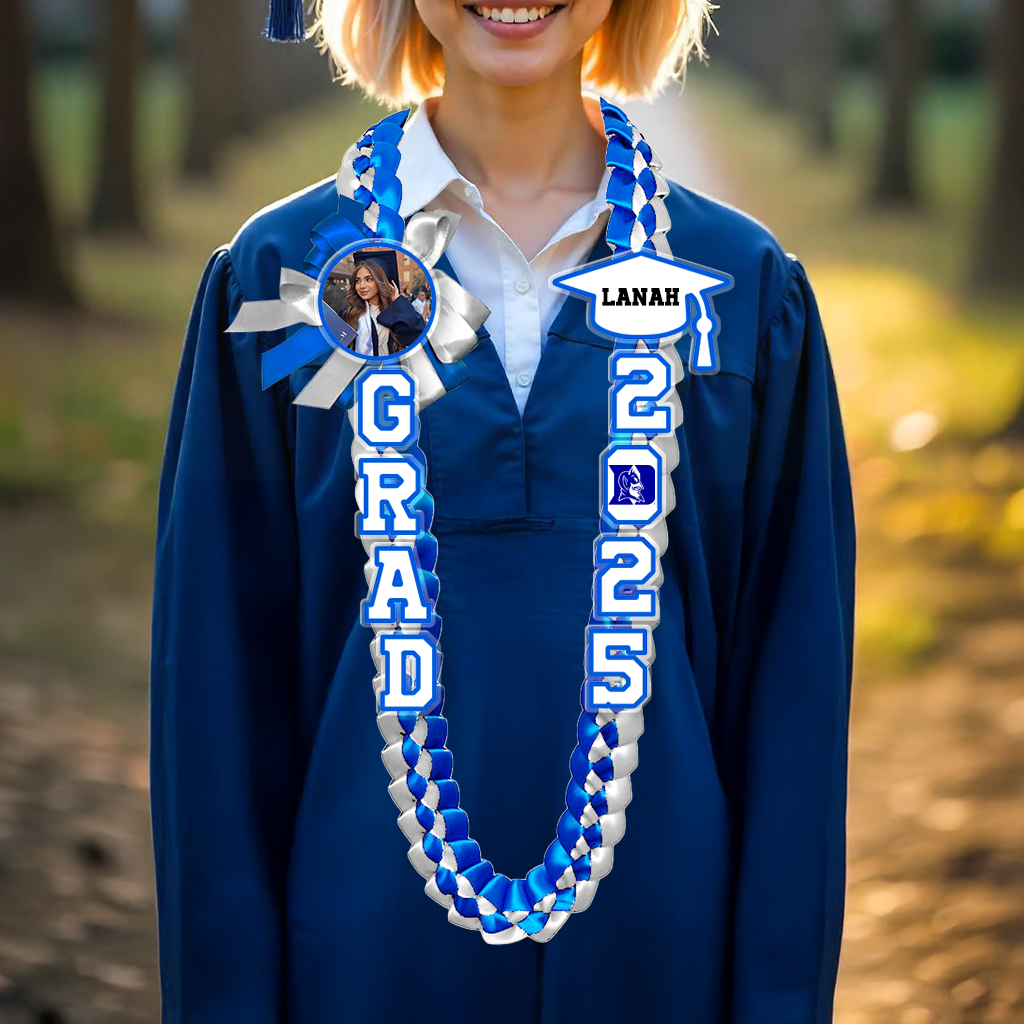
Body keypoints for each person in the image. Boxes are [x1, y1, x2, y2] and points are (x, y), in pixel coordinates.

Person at [150, 1, 856, 1022]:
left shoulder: (741, 289)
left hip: (663, 951)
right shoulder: (282, 278)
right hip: (360, 953)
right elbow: (218, 695)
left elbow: (790, 697)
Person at [343, 257, 426, 356]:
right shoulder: (349, 313)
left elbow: (416, 335)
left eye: (368, 279)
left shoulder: (395, 311)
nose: (362, 286)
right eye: (357, 281)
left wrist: (397, 301)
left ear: (380, 281)